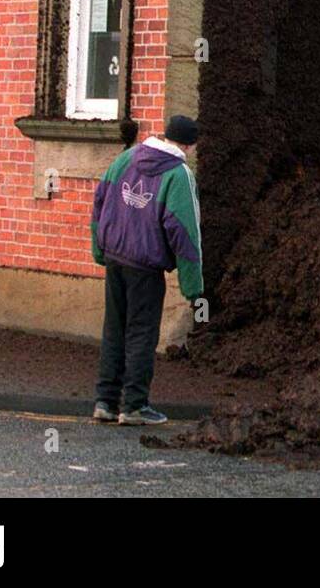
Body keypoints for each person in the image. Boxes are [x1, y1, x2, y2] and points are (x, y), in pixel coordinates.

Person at [89, 115, 204, 425]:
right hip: (145, 268)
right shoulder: (179, 174)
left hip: (115, 259)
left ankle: (105, 402)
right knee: (141, 333)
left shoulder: (126, 157)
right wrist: (193, 286)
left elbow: (100, 201)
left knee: (114, 329)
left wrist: (99, 250)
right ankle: (135, 406)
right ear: (188, 145)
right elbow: (185, 231)